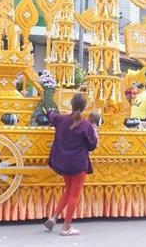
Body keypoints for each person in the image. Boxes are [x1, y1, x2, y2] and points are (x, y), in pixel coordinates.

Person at [44, 93, 99, 236]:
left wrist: (49, 110)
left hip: (64, 163)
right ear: (84, 107)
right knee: (74, 195)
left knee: (68, 191)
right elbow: (92, 145)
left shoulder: (61, 119)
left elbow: (51, 115)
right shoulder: (86, 125)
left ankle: (54, 217)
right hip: (78, 164)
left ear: (71, 105)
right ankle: (66, 227)